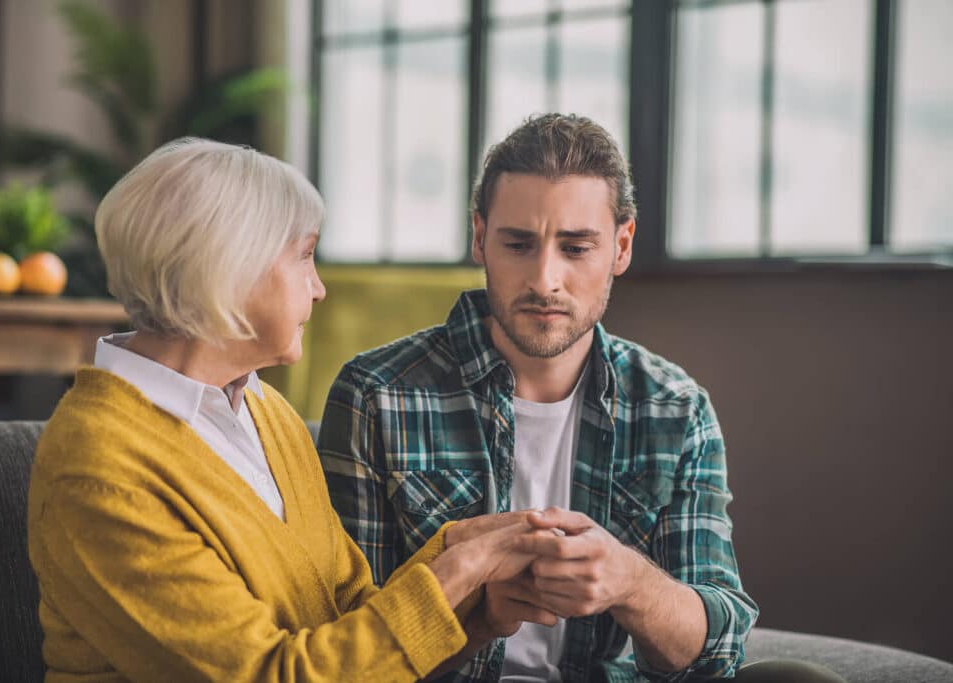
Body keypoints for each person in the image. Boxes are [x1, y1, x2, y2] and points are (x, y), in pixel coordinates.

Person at [318, 115, 844, 683]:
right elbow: (352, 651)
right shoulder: (377, 396)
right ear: (479, 238)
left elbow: (714, 652)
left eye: (575, 247)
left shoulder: (675, 409)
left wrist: (629, 581)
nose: (545, 279)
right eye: (518, 244)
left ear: (621, 246)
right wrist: (481, 617)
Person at [26, 138, 555, 682]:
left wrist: (476, 605)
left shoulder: (266, 411)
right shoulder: (98, 467)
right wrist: (455, 573)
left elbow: (351, 618)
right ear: (228, 269)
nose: (319, 288)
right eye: (304, 256)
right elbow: (268, 674)